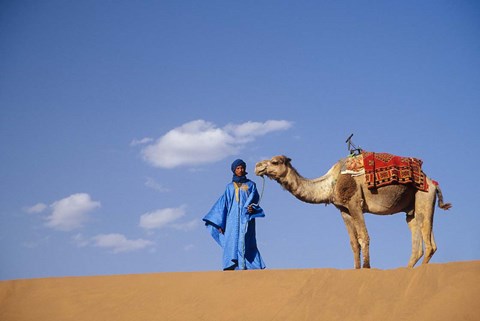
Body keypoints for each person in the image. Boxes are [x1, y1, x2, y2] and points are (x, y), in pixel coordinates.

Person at [202, 159, 266, 270]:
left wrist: (252, 208)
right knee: (232, 242)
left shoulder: (251, 185)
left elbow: (255, 201)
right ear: (234, 170)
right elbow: (223, 205)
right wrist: (219, 224)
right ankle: (233, 266)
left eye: (242, 168)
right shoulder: (229, 187)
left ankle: (250, 267)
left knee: (247, 242)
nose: (240, 170)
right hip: (231, 220)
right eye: (238, 168)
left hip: (246, 220)